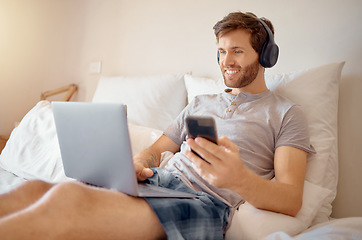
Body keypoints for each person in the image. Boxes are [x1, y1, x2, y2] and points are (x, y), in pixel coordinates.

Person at [0, 12, 314, 240]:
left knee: (66, 201)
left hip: (202, 202)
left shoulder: (285, 113)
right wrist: (136, 165)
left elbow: (290, 199)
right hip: (160, 183)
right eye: (221, 51)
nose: (225, 60)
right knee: (34, 189)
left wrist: (240, 179)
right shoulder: (201, 103)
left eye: (237, 51)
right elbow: (158, 149)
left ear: (266, 56)